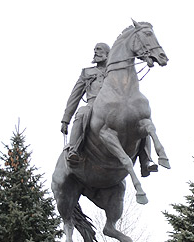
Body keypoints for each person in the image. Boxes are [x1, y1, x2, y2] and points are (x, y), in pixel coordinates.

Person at [60, 43, 157, 177]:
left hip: (115, 107)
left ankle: (146, 161)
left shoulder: (116, 72)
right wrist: (66, 119)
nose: (95, 52)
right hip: (92, 106)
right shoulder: (87, 72)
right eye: (94, 50)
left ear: (108, 53)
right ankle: (73, 151)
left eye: (99, 50)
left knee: (142, 119)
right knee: (82, 113)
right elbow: (74, 96)